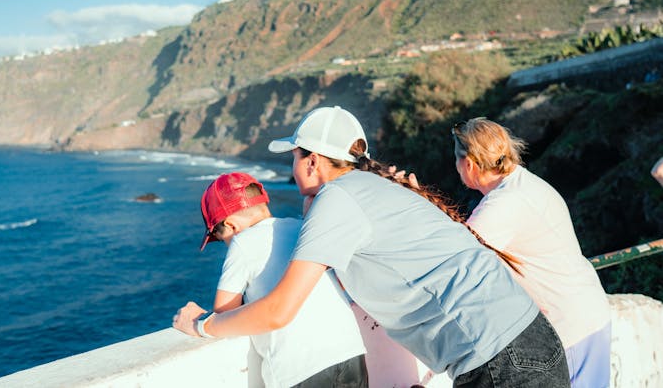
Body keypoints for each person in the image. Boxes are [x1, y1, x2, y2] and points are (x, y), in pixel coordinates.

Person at [174, 106, 570, 388]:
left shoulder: (339, 200)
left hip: (500, 361)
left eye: (295, 157)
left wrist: (203, 325)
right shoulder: (371, 189)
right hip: (526, 340)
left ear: (312, 162)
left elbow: (279, 311)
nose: (292, 168)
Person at [451, 117, 612, 388]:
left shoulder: (503, 204)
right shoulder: (523, 183)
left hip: (568, 326)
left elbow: (454, 259)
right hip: (584, 311)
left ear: (468, 164)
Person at [195, 171, 368, 388]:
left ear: (231, 225)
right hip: (350, 353)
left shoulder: (242, 242)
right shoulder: (302, 227)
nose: (228, 244)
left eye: (222, 240)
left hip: (300, 369)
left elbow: (224, 313)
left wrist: (198, 321)